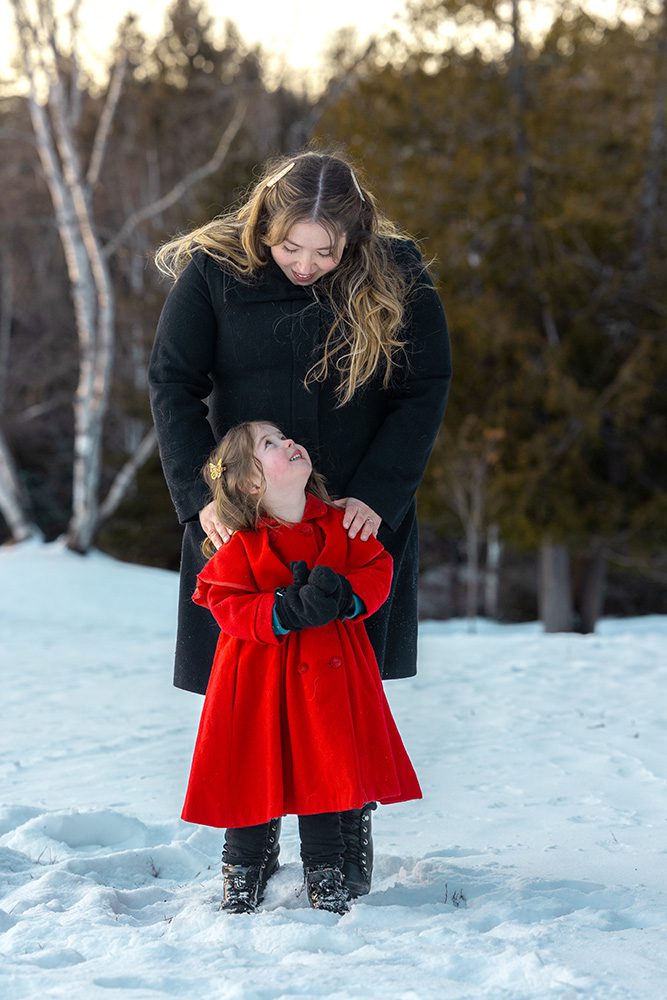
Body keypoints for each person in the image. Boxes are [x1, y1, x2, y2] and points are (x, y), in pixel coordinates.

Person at [149, 149, 451, 896]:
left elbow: (424, 387)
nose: (306, 263)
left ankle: (343, 841)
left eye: (327, 250)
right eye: (290, 247)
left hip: (354, 511)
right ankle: (246, 850)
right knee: (249, 686)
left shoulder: (398, 268)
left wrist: (380, 492)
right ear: (263, 227)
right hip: (245, 512)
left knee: (339, 682)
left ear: (355, 237)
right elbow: (172, 382)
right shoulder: (215, 271)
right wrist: (203, 498)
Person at [181, 420, 422, 914]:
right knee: (252, 766)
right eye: (269, 445)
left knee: (326, 763)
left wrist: (347, 599)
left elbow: (377, 568)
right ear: (250, 482)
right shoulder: (242, 541)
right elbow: (222, 600)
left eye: (285, 437)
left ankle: (326, 865)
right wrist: (282, 611)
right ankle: (243, 864)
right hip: (256, 678)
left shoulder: (340, 523)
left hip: (328, 676)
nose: (289, 443)